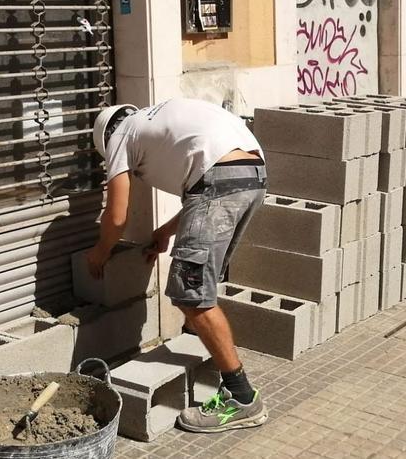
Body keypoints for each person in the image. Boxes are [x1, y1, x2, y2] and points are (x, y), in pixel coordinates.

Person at [86, 98, 269, 433]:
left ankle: (241, 399)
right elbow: (202, 187)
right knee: (201, 287)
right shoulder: (155, 119)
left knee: (191, 295)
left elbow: (116, 217)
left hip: (219, 181)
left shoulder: (119, 137)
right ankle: (211, 352)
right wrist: (165, 232)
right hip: (252, 175)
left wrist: (101, 251)